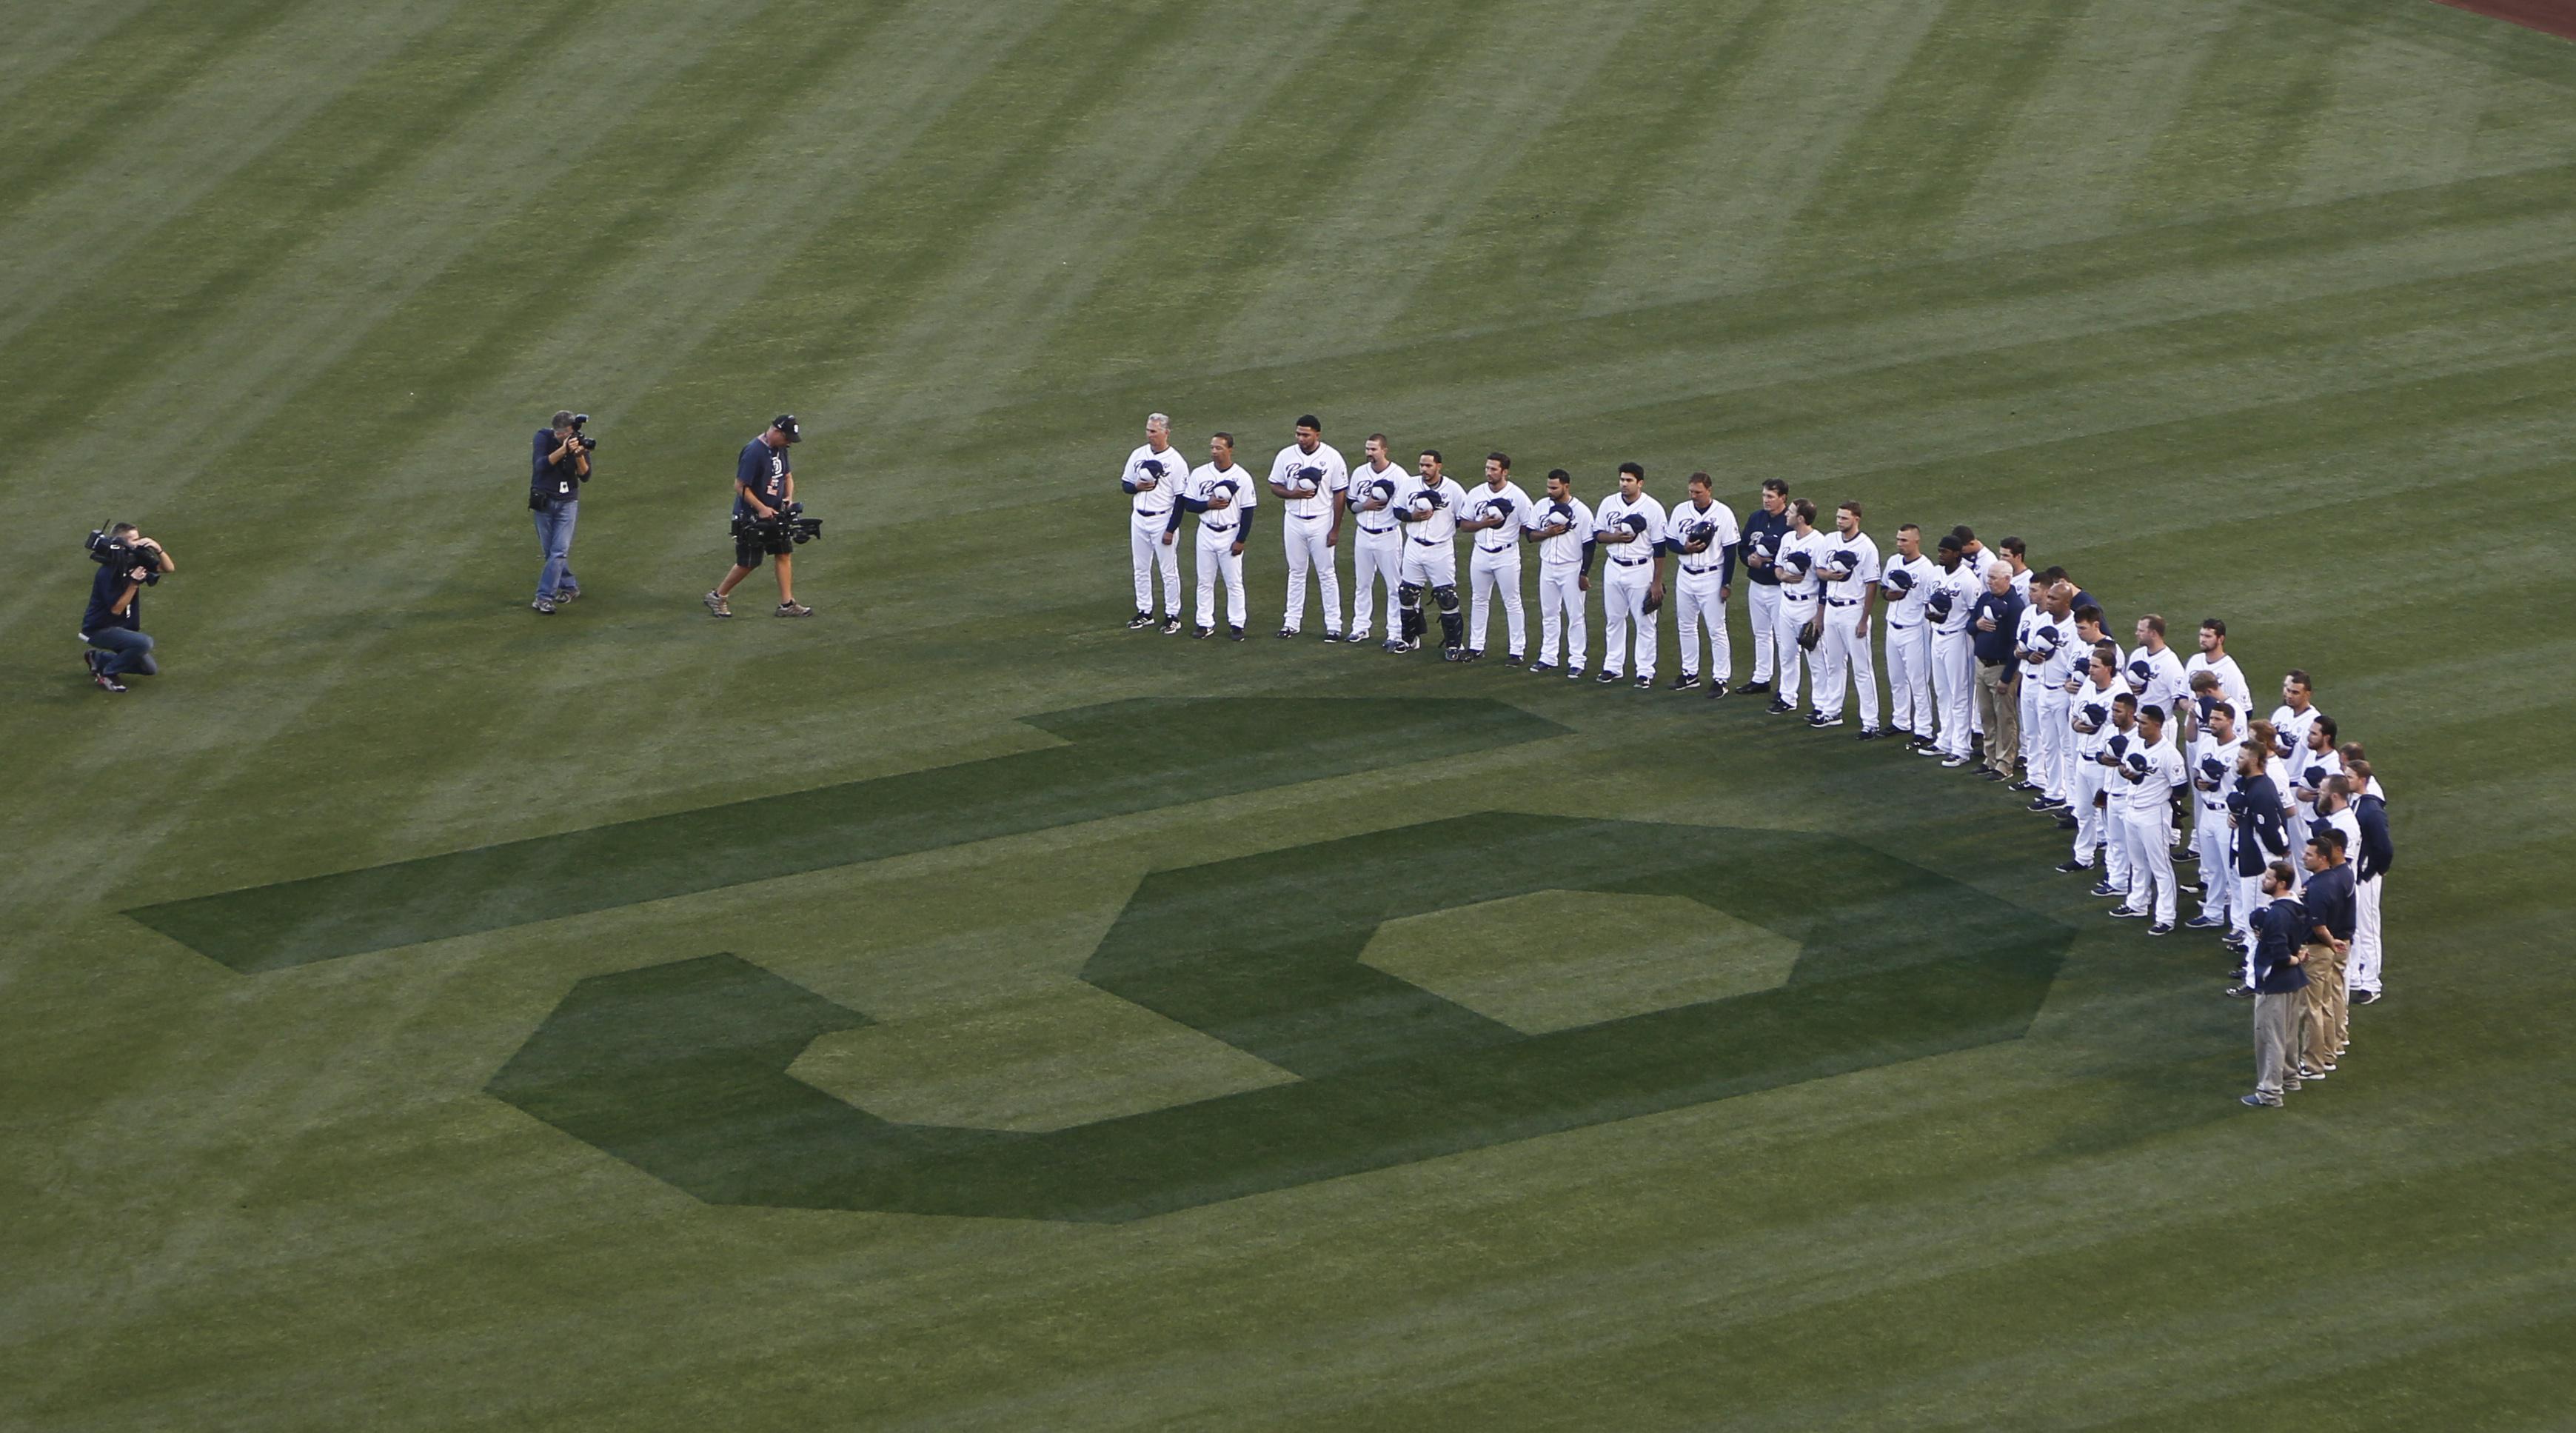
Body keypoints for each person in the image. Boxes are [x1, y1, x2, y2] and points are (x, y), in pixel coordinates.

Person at [706, 415, 811, 618]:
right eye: (786, 438)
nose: (788, 442)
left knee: (783, 553)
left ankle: (787, 604)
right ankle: (718, 596)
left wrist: (788, 497)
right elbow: (740, 486)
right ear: (776, 432)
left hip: (776, 514)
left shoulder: (780, 448)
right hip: (751, 517)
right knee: (748, 562)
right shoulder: (754, 452)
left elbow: (787, 476)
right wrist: (761, 508)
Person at [1268, 415, 1349, 640]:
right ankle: (1291, 622)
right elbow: (1274, 485)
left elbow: (1340, 494)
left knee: (1326, 572)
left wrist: (1335, 529)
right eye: (1298, 434)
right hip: (1293, 519)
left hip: (1321, 520)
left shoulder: (1332, 457)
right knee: (1296, 571)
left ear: (1317, 435)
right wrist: (1291, 494)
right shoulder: (1286, 455)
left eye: (1306, 434)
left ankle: (1334, 625)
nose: (1301, 438)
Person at [2111, 701, 2186, 934]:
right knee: (2137, 861)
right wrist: (2126, 772)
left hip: (2154, 813)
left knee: (2160, 866)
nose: (2139, 726)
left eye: (2143, 723)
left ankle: (2166, 917)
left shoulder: (2169, 754)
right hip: (2132, 809)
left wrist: (2159, 796)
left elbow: (2181, 789)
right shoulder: (2136, 741)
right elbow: (2123, 765)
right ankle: (2137, 903)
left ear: (2157, 725)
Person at [2223, 742, 2292, 992]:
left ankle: (2255, 980)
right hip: (2252, 859)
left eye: (2241, 757)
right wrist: (2235, 818)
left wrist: (2279, 852)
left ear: (2254, 761)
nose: (2237, 760)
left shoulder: (2261, 790)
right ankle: (2254, 968)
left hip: (2259, 863)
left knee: (2256, 924)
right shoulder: (2251, 784)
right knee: (2254, 922)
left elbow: (2272, 832)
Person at [1810, 501, 1882, 736]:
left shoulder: (1867, 547)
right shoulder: (1830, 540)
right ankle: (1832, 711)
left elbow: (1872, 584)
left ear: (1856, 519)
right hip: (1832, 608)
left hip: (1853, 610)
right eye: (1838, 517)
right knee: (1834, 663)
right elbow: (1819, 570)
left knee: (1862, 668)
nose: (1839, 521)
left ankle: (1870, 721)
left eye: (1844, 518)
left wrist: (1864, 619)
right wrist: (1829, 576)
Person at [2241, 861, 2309, 1107]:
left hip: (2276, 983)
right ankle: (2291, 1078)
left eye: (2269, 877)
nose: (2264, 880)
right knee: (2288, 1035)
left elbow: (2280, 953)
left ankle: (2270, 1093)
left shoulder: (2276, 915)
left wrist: (2294, 958)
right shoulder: (2296, 907)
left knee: (2271, 1039)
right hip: (2293, 981)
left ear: (2281, 883)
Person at [1593, 462, 1666, 689]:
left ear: (1640, 483)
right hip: (1613, 566)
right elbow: (1597, 534)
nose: (1624, 484)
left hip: (1641, 569)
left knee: (1644, 621)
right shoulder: (1609, 503)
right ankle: (1613, 667)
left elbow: (1660, 548)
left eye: (1629, 480)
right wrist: (1613, 538)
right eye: (1622, 480)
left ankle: (1645, 671)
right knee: (1614, 619)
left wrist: (1657, 582)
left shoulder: (1653, 508)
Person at [2058, 644, 2127, 884]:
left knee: (2106, 817)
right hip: (2082, 759)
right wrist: (2078, 724)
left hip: (2103, 764)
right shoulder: (2088, 684)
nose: (2090, 670)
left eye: (2095, 666)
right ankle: (2083, 857)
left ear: (2108, 668)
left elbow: (2124, 728)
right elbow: (2076, 716)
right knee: (2084, 812)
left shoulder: (2120, 693)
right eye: (2090, 666)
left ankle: (2113, 866)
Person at [1176, 432, 1256, 639]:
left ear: (1230, 450)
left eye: (1219, 448)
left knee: (1234, 581)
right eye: (1212, 447)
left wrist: (1241, 539)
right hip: (1206, 531)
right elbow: (1189, 504)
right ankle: (1204, 623)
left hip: (1230, 533)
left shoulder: (1242, 477)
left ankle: (1237, 624)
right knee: (1204, 580)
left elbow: (1248, 511)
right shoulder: (1200, 473)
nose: (1214, 451)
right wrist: (1208, 505)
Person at [1666, 471, 1739, 695]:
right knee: (1686, 625)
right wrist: (1684, 549)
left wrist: (1726, 584)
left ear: (1709, 490)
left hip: (1712, 576)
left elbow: (1731, 550)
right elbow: (1670, 540)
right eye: (1691, 491)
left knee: (1716, 629)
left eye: (1698, 492)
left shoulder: (1723, 513)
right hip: (1685, 574)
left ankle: (1721, 679)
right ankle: (1690, 673)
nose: (1693, 496)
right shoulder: (1681, 510)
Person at [1390, 449, 1468, 655]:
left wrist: (1443, 529)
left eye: (1428, 465)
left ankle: (1454, 645)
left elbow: (1463, 518)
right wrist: (1412, 517)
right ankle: (1409, 639)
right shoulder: (1410, 485)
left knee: (1446, 597)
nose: (1424, 469)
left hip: (1440, 549)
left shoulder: (1453, 489)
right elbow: (1397, 510)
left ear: (1439, 466)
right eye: (1421, 465)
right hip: (1414, 546)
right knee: (1407, 593)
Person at [1457, 452, 1533, 664]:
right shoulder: (1476, 493)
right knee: (1479, 600)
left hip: (1506, 555)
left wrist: (1509, 528)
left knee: (1512, 602)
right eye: (1487, 468)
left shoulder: (1517, 496)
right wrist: (1483, 524)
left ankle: (1517, 650)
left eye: (1493, 469)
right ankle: (1476, 646)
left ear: (1505, 472)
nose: (1488, 472)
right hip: (1480, 553)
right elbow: (1464, 525)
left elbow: (1529, 525)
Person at [80, 524, 173, 693]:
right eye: (135, 540)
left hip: (122, 628)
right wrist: (134, 583)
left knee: (149, 669)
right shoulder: (107, 572)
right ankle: (108, 674)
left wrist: (158, 549)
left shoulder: (132, 560)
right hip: (99, 629)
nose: (140, 542)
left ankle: (97, 658)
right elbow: (116, 609)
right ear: (122, 544)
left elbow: (168, 568)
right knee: (144, 643)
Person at [1118, 412, 1187, 632]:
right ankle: (1145, 612)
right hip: (1139, 518)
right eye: (1148, 430)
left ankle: (1172, 615)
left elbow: (1181, 499)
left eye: (1154, 431)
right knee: (1140, 568)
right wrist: (1136, 487)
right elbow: (1126, 485)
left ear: (1166, 433)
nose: (1150, 435)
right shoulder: (1138, 454)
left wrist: (1171, 529)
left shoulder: (1176, 461)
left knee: (1168, 570)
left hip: (1162, 519)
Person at [2296, 830, 2357, 1081]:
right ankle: (2330, 1052)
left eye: (2309, 854)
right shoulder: (2338, 876)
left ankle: (2314, 1064)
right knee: (2328, 1001)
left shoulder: (2321, 886)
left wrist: (2331, 942)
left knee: (2312, 1008)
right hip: (2334, 944)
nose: (2304, 857)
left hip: (2321, 948)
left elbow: (2318, 925)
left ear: (2323, 857)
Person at [2015, 582, 2078, 809]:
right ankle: (2054, 793)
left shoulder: (2075, 627)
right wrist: (2029, 655)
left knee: (2067, 748)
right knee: (2049, 744)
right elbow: (2026, 649)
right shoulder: (2042, 621)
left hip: (2063, 692)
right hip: (2043, 689)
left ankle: (2073, 799)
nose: (2049, 602)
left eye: (2054, 598)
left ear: (2067, 602)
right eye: (2048, 597)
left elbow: (2080, 660)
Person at [1528, 469, 1594, 678]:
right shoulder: (1541, 506)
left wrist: (1584, 573)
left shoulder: (1581, 511)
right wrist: (1546, 533)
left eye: (1554, 488)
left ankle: (1577, 660)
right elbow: (1530, 535)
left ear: (1566, 486)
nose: (1550, 491)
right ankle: (1548, 657)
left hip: (1571, 568)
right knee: (1549, 613)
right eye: (1549, 487)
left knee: (1575, 615)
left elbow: (1589, 545)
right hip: (1547, 566)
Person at [2185, 701, 2245, 931]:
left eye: (2218, 719)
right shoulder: (2207, 742)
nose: (2212, 723)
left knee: (2232, 871)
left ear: (2230, 721)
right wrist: (2199, 782)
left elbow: (2244, 785)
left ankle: (2240, 923)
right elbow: (2197, 771)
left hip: (2227, 816)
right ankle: (2213, 913)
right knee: (2212, 868)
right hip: (2207, 812)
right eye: (2211, 718)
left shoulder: (2240, 750)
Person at [1769, 498, 1828, 713]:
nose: (1786, 514)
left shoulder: (1820, 542)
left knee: (1816, 657)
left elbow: (1824, 581)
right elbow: (1778, 566)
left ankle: (1822, 705)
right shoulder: (1787, 538)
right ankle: (1787, 697)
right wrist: (1782, 576)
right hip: (1786, 602)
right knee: (1787, 653)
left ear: (1801, 518)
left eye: (1791, 512)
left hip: (1808, 605)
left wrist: (1819, 615)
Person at [1879, 524, 1937, 747]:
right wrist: (1890, 595)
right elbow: (1884, 590)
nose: (1899, 544)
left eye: (1904, 540)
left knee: (1918, 681)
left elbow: (1930, 603)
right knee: (1896, 678)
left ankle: (1924, 730)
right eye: (1898, 539)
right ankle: (1901, 720)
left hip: (1915, 629)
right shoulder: (1894, 561)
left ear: (1917, 542)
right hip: (1892, 627)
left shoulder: (1927, 569)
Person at [529, 410, 590, 614]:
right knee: (551, 553)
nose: (573, 437)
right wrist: (564, 450)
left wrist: (579, 455)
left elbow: (586, 475)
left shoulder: (577, 441)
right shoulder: (543, 437)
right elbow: (540, 465)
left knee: (559, 551)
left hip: (567, 503)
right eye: (569, 434)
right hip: (544, 502)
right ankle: (570, 586)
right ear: (559, 433)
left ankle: (543, 597)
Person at [1345, 435, 1405, 645]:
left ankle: (1395, 631)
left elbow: (1405, 506)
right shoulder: (1360, 472)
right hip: (1363, 534)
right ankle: (1360, 627)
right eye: (1367, 449)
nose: (1369, 453)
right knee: (1362, 583)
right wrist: (1366, 506)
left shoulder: (1399, 475)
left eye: (1373, 449)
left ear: (1384, 450)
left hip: (1388, 535)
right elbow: (1351, 504)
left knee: (1394, 586)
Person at [1925, 535, 1978, 766]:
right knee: (1942, 691)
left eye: (1944, 552)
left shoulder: (1968, 580)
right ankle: (1945, 740)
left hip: (1958, 639)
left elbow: (1975, 614)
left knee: (1960, 694)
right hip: (1937, 635)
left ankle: (1961, 748)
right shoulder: (1936, 573)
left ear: (1957, 554)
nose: (1940, 555)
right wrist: (1932, 615)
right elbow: (1927, 603)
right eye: (1939, 551)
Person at [1970, 564, 2024, 782]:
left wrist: (2007, 677)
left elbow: (2015, 644)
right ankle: (1990, 758)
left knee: (2005, 719)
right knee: (1986, 715)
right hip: (1981, 666)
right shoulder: (1985, 599)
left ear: (2007, 579)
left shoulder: (2016, 606)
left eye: (1994, 578)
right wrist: (1979, 625)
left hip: (2001, 668)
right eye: (1989, 577)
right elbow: (1969, 627)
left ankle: (2005, 764)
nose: (1989, 581)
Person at [1737, 479, 1791, 696]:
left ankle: (1786, 687)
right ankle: (1761, 678)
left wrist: (1765, 565)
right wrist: (1749, 559)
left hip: (1780, 589)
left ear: (1783, 498)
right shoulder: (1756, 518)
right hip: (1756, 585)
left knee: (1783, 638)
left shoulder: (1789, 524)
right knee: (1761, 633)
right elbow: (1743, 546)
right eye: (1764, 496)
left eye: (1770, 496)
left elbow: (1791, 560)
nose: (1766, 500)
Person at [2347, 758, 2394, 1006]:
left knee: (2368, 929)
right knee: (2354, 926)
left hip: (2367, 876)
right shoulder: (2357, 802)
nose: (2346, 780)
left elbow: (2385, 848)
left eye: (2350, 777)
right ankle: (2355, 976)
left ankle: (2372, 984)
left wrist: (2375, 871)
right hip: (2357, 875)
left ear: (2362, 780)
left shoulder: (2372, 809)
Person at [2184, 618, 2253, 721]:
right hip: (2194, 728)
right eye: (2201, 635)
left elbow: (2246, 711)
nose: (2202, 639)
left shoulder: (2231, 671)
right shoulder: (2194, 661)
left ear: (2220, 639)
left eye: (2208, 636)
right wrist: (2195, 710)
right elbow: (2182, 698)